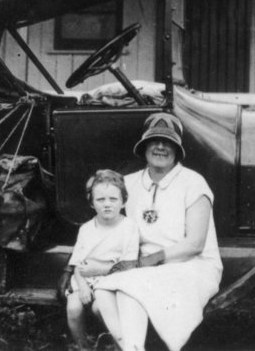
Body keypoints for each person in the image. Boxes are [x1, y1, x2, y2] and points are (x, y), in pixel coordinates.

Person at [92, 113, 223, 351]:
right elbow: (107, 230)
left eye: (168, 142)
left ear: (177, 150)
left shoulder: (193, 182)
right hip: (142, 269)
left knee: (128, 288)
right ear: (144, 148)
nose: (161, 147)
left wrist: (144, 263)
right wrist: (74, 270)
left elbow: (195, 244)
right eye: (154, 141)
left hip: (191, 265)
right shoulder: (128, 184)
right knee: (105, 296)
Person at [60, 170, 140, 351]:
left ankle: (117, 344)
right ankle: (82, 346)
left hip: (112, 278)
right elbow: (78, 264)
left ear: (123, 201)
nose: (107, 205)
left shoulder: (129, 227)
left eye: (113, 199)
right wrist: (83, 286)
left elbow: (129, 265)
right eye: (100, 200)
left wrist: (100, 270)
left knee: (99, 308)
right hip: (85, 278)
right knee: (73, 307)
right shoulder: (87, 229)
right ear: (91, 203)